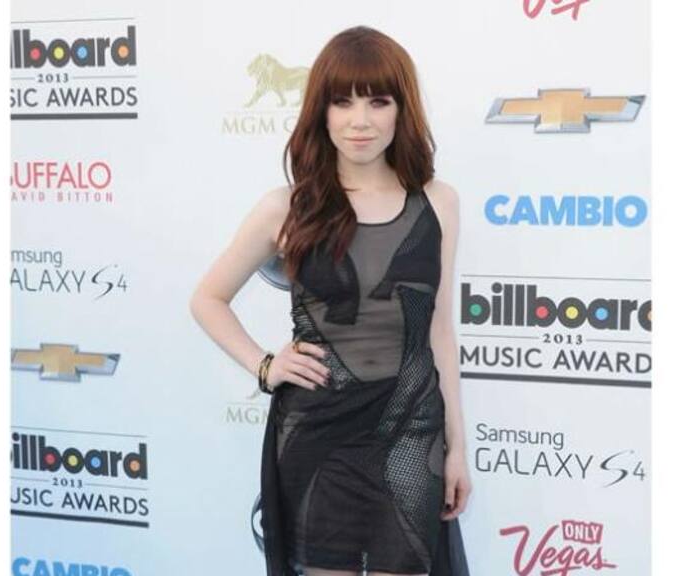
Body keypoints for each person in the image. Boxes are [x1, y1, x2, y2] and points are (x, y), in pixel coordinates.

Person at [190, 25, 471, 576]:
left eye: (378, 101)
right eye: (342, 101)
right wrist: (265, 366)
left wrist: (457, 446)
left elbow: (439, 329)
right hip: (318, 435)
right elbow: (208, 298)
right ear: (320, 110)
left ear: (402, 109)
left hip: (411, 433)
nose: (359, 120)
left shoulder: (439, 202)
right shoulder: (285, 208)